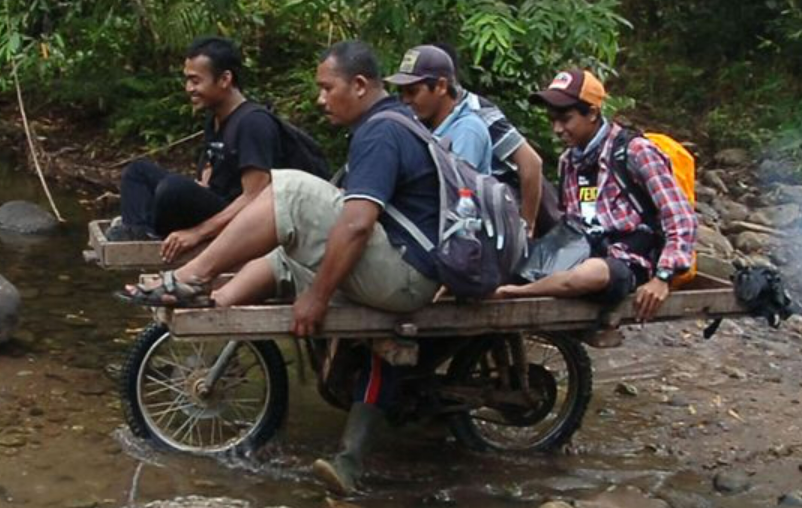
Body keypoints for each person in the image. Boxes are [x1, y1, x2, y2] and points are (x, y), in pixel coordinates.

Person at [120, 40, 442, 495]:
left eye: (327, 88)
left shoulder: (381, 133)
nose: (320, 99)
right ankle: (210, 304)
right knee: (282, 252)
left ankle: (193, 276)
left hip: (404, 277)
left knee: (287, 188)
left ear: (361, 85)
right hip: (397, 268)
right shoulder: (381, 128)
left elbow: (355, 226)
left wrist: (318, 296)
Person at [494, 69, 697, 322]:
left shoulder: (636, 152)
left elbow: (680, 216)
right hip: (582, 250)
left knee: (590, 275)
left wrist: (663, 277)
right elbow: (571, 222)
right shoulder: (568, 161)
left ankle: (520, 293)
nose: (557, 129)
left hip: (628, 261)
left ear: (592, 113)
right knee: (506, 256)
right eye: (552, 120)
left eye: (565, 119)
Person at [107, 36, 277, 263]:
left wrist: (197, 233)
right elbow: (208, 172)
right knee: (138, 172)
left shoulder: (253, 123)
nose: (189, 89)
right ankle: (139, 233)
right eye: (187, 81)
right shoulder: (215, 119)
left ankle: (146, 228)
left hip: (240, 220)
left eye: (195, 81)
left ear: (225, 79)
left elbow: (254, 197)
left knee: (173, 189)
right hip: (215, 204)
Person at [434, 42, 544, 236]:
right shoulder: (427, 114)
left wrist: (526, 228)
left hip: (494, 213)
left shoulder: (477, 113)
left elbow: (531, 164)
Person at [384, 45, 493, 174]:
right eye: (402, 92)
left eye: (412, 92)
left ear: (441, 86)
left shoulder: (467, 130)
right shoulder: (424, 127)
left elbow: (453, 185)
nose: (406, 100)